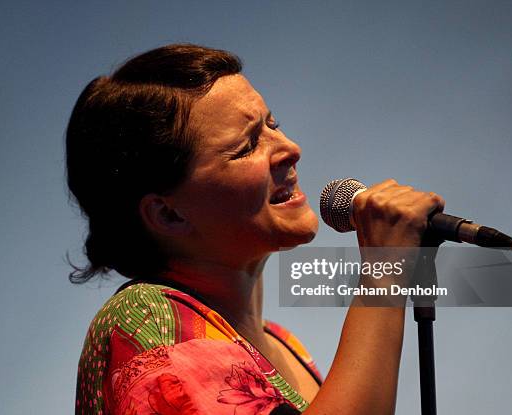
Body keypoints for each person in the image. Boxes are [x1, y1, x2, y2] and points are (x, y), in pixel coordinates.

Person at [66, 44, 445, 415]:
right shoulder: (146, 320)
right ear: (169, 215)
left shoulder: (283, 342)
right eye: (247, 146)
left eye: (273, 125)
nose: (290, 148)